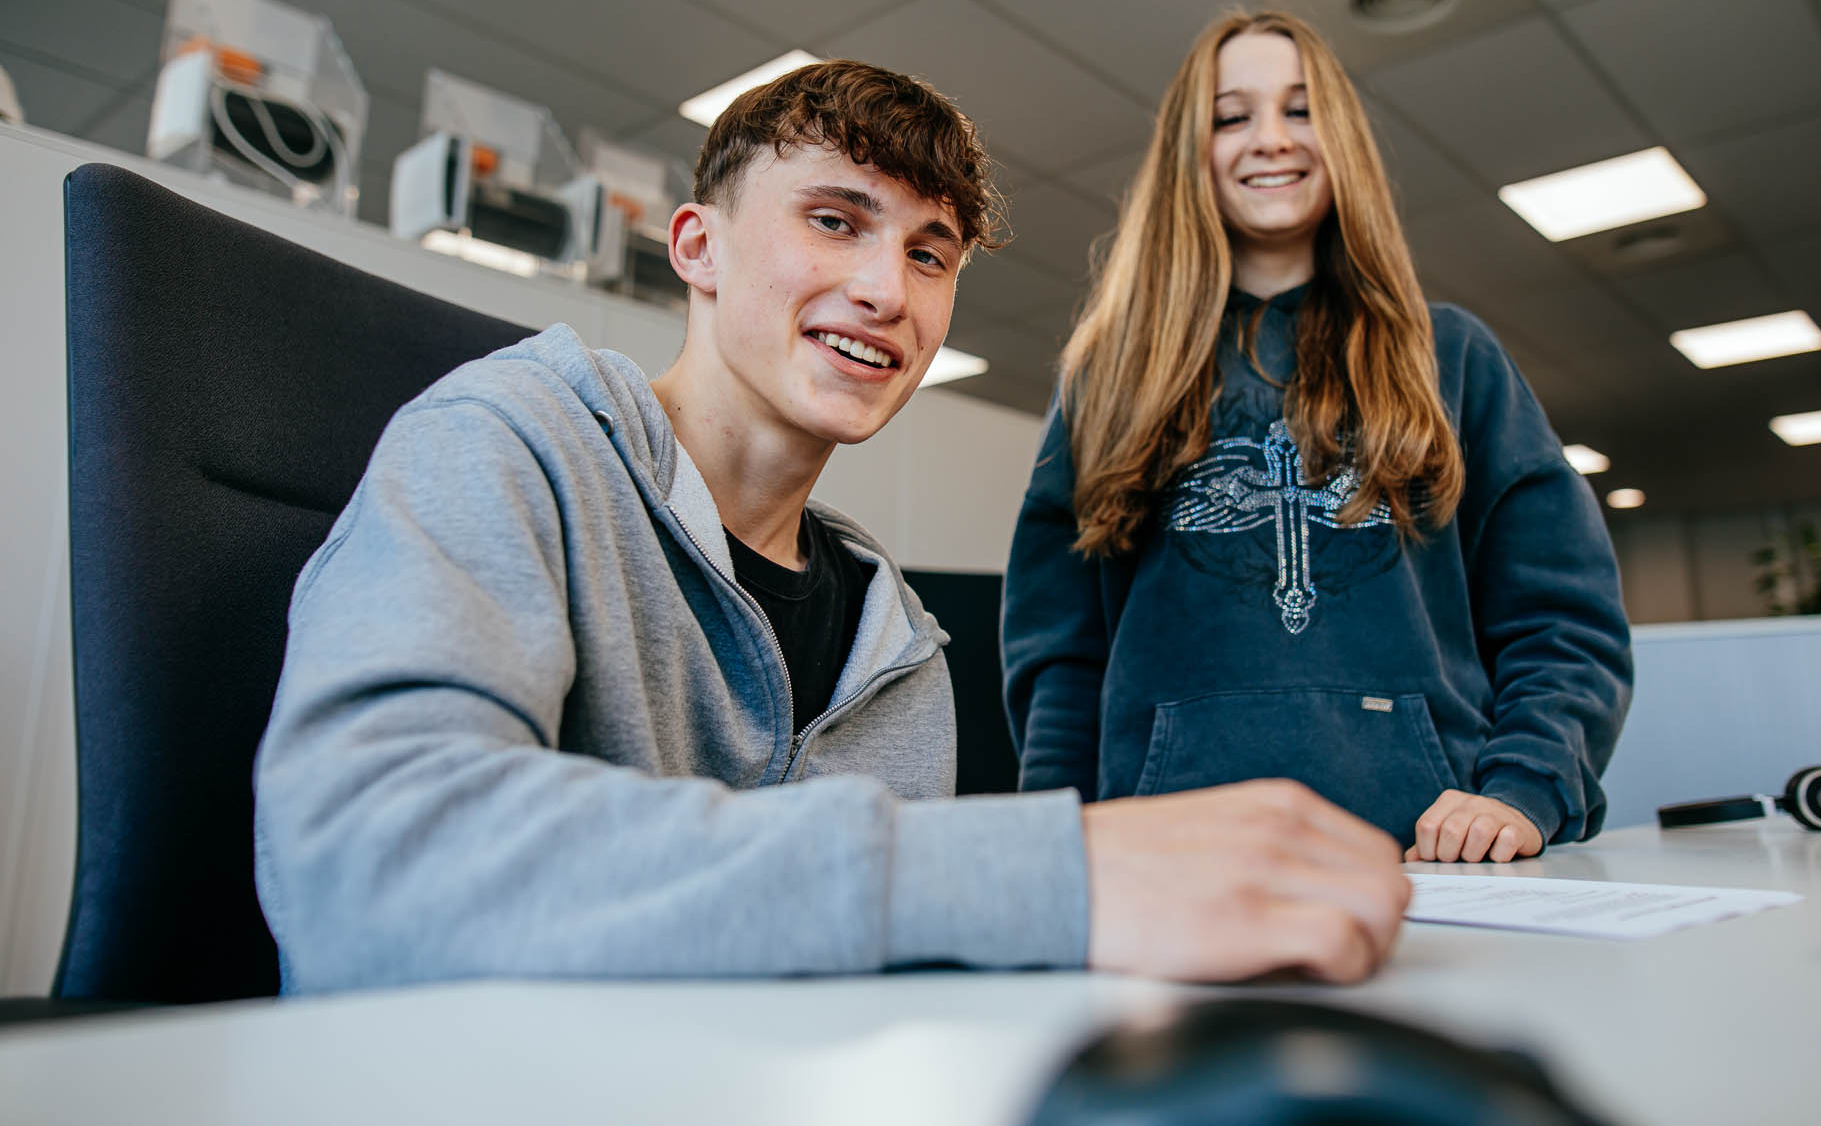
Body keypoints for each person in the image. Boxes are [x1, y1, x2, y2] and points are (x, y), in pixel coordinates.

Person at [254, 58, 1410, 993]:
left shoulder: (892, 642)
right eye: (832, 220)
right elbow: (367, 866)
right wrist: (1042, 874)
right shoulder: (503, 444)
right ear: (697, 247)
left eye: (926, 254)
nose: (885, 292)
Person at [1002, 12, 1632, 865]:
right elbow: (1061, 650)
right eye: (1233, 116)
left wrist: (1525, 785)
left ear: (1342, 138)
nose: (1271, 140)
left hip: (1430, 863)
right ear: (1193, 150)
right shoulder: (1114, 371)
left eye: (1301, 111)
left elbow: (1563, 616)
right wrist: (1052, 836)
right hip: (1166, 865)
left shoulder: (1450, 356)